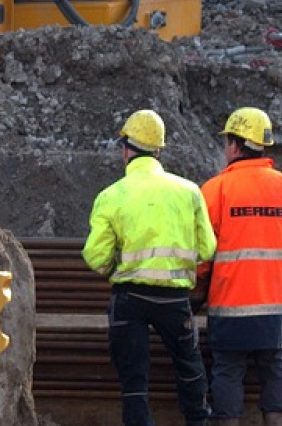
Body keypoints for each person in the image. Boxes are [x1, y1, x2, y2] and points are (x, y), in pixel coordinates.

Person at [83, 109, 218, 426]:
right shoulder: (189, 192)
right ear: (158, 150)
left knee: (134, 380)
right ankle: (198, 421)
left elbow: (95, 256)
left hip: (129, 298)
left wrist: (116, 266)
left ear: (126, 148)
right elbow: (208, 248)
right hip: (174, 301)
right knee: (188, 365)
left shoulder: (112, 195)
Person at [198, 107, 282, 426]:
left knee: (226, 371)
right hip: (277, 311)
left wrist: (197, 294)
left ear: (236, 145)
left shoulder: (215, 191)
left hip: (230, 310)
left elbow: (200, 255)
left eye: (227, 141)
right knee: (277, 369)